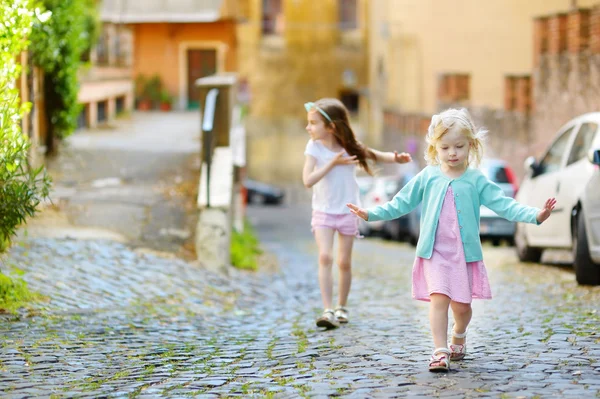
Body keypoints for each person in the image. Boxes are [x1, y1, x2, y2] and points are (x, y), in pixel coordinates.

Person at [347, 108, 556, 371]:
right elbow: (401, 202)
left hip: (463, 255)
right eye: (445, 147)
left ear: (471, 145)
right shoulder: (428, 176)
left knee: (462, 307)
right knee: (438, 300)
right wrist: (371, 213)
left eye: (459, 146)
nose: (453, 153)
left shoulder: (475, 179)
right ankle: (439, 351)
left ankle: (459, 333)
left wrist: (536, 215)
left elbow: (504, 205)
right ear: (435, 148)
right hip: (435, 253)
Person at [302, 98, 412, 329]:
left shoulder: (348, 146)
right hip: (323, 211)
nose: (308, 127)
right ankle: (327, 309)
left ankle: (341, 307)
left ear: (331, 126)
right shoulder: (314, 148)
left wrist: (396, 158)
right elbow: (307, 180)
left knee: (343, 262)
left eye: (313, 123)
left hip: (347, 211)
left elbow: (372, 154)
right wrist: (332, 163)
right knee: (325, 257)